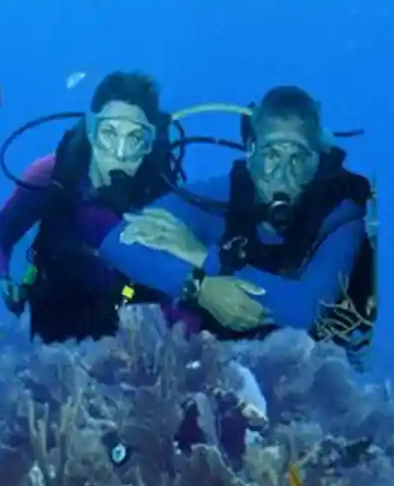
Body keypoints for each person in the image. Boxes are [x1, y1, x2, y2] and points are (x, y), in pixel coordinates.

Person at [101, 85, 378, 355]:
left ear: (317, 162)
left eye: (299, 158)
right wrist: (201, 288)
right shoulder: (218, 198)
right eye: (271, 155)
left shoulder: (341, 217)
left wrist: (202, 257)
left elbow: (306, 311)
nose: (283, 174)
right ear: (250, 151)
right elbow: (117, 243)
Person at [0, 72, 179, 343]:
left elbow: (177, 277)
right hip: (56, 308)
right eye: (110, 133)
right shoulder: (51, 176)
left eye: (135, 138)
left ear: (150, 143)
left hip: (129, 307)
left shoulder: (160, 193)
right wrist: (5, 277)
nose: (120, 153)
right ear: (92, 131)